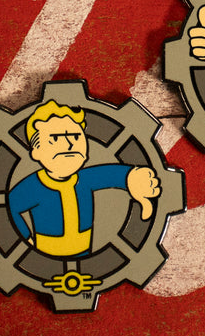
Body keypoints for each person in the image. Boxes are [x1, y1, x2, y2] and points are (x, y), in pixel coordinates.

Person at [8, 100, 160, 257]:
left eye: (75, 137)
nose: (69, 145)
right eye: (55, 139)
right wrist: (26, 239)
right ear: (36, 152)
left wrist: (132, 177)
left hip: (86, 257)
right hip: (45, 260)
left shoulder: (85, 179)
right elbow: (8, 206)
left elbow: (111, 175)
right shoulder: (33, 186)